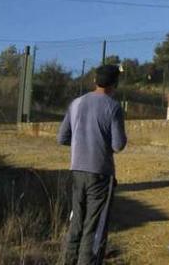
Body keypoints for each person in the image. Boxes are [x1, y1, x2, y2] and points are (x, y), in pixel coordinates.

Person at [58, 64, 127, 265]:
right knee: (94, 227)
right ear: (114, 83)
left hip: (77, 170)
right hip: (101, 173)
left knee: (76, 223)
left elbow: (62, 137)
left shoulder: (76, 103)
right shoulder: (113, 107)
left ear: (94, 80)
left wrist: (82, 141)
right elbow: (118, 144)